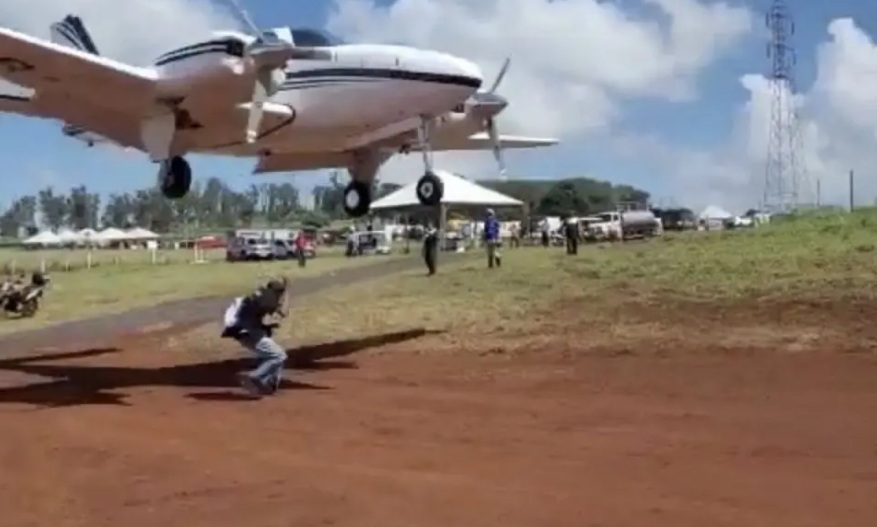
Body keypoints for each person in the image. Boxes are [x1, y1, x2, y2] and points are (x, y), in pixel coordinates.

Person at [221, 277, 289, 397]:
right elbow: (283, 312)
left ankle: (267, 384)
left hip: (242, 330)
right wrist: (286, 295)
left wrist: (264, 327)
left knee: (272, 354)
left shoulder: (262, 294)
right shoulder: (270, 300)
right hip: (247, 332)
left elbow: (250, 313)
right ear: (280, 291)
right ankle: (254, 377)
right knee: (279, 356)